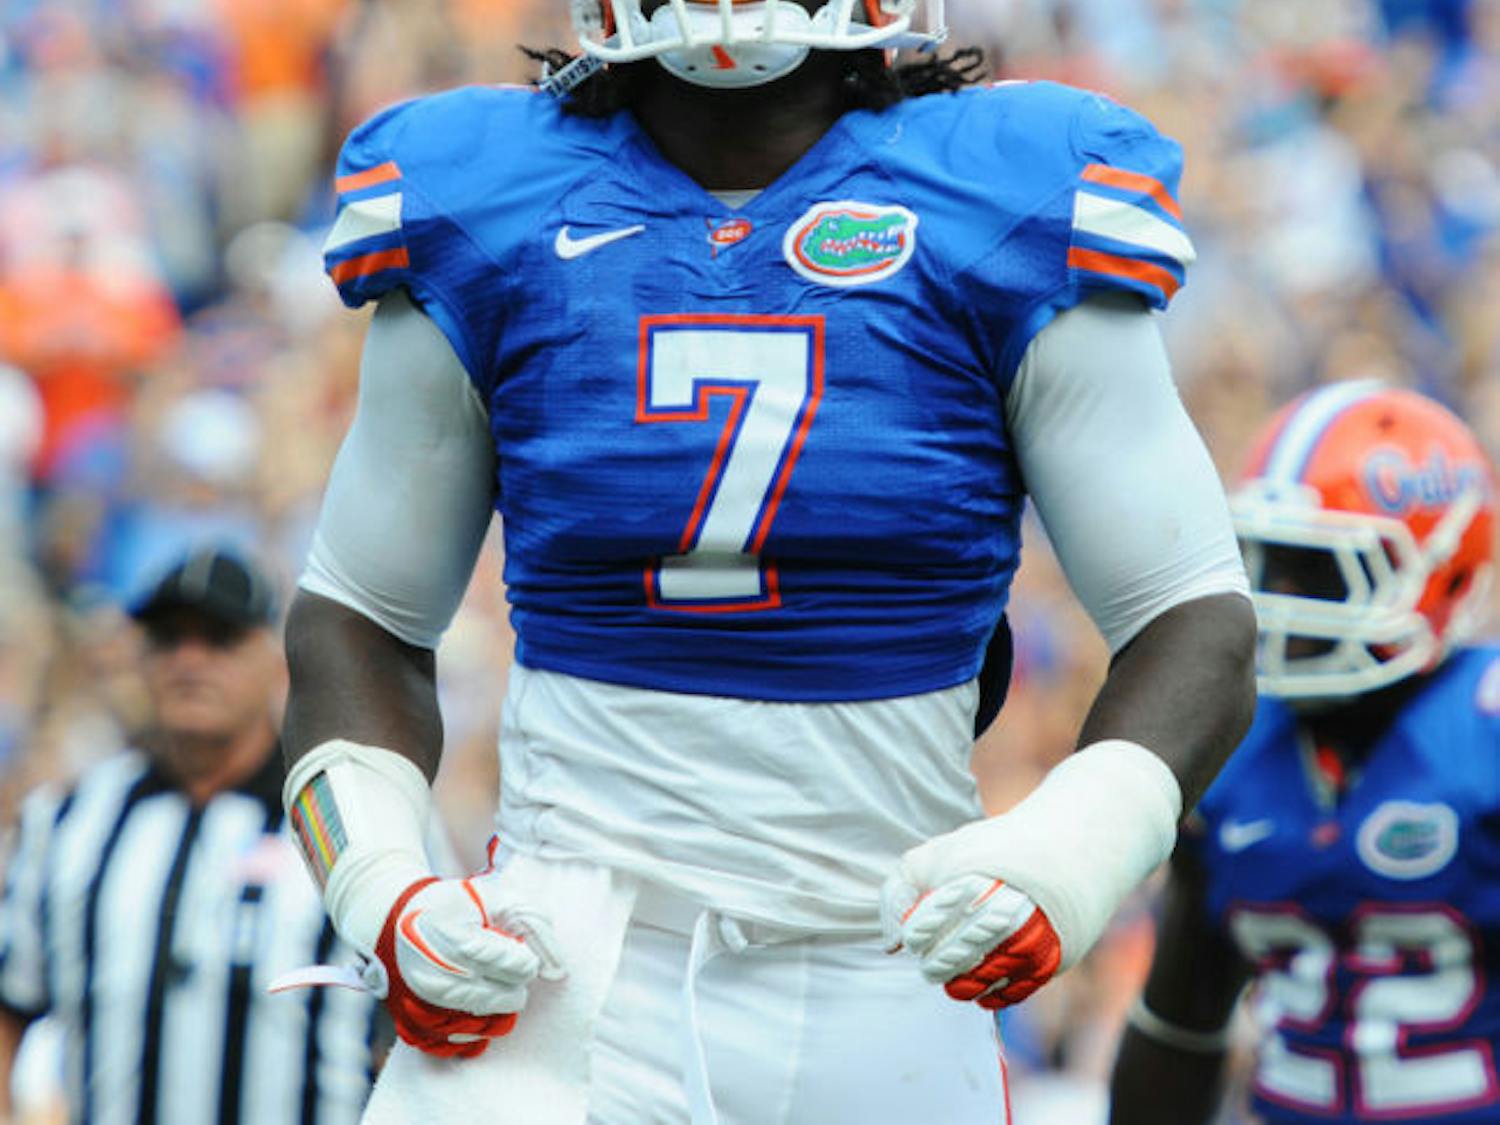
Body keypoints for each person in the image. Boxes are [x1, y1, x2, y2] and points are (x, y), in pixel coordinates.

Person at [280, 1, 1257, 1120]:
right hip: (567, 951)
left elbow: (1196, 622)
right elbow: (355, 616)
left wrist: (1067, 855)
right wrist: (382, 887)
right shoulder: (494, 195)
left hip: (888, 954)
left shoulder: (1001, 192)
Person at [1109, 381, 1500, 1124]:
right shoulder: (1231, 745)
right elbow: (1181, 1021)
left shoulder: (1484, 732)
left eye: (1314, 569)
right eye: (1268, 562)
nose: (1279, 598)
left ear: (1441, 567)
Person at [0, 548, 383, 1124]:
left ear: (277, 661)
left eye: (219, 638)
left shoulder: (353, 823)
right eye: (167, 639)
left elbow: (420, 1028)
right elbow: (11, 1001)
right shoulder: (66, 821)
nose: (189, 661)